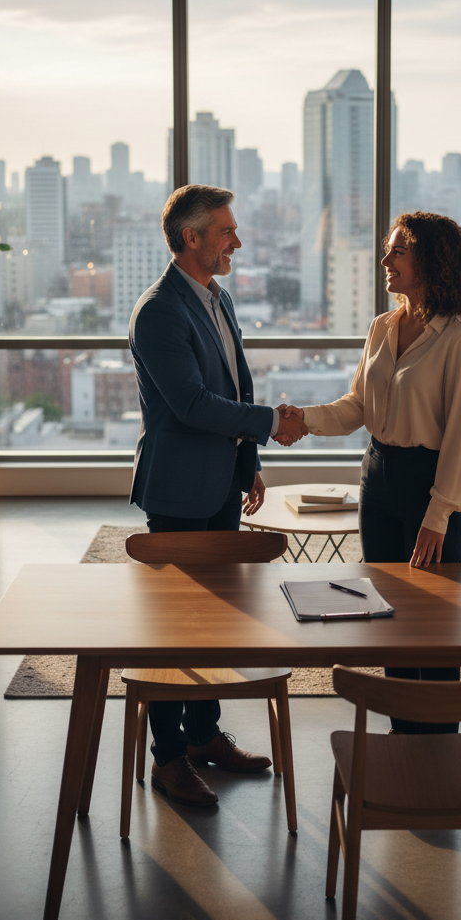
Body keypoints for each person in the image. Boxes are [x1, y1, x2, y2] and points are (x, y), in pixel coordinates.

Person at [128, 184, 307, 806]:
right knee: (173, 628)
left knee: (213, 621)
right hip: (178, 487)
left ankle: (204, 736)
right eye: (227, 231)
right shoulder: (157, 312)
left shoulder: (217, 297)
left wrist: (249, 461)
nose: (238, 240)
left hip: (221, 481)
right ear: (191, 237)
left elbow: (236, 381)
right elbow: (193, 405)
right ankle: (168, 758)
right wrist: (270, 423)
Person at [281, 211, 461, 733]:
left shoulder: (458, 341)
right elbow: (358, 407)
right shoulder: (382, 326)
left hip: (428, 486)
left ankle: (436, 742)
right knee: (388, 615)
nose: (385, 261)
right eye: (387, 250)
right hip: (378, 476)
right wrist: (304, 420)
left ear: (429, 259)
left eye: (397, 251)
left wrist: (439, 514)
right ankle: (401, 733)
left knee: (434, 625)